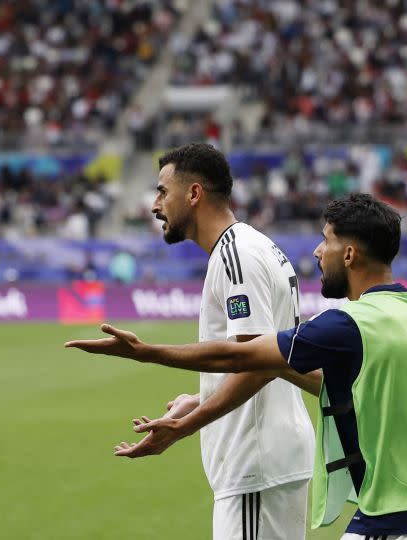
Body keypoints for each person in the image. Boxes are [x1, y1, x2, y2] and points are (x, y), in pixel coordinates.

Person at [67, 194, 407, 539]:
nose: (317, 251)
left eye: (325, 240)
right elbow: (337, 383)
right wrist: (203, 397)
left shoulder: (348, 323)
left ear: (348, 254)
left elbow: (240, 355)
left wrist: (147, 352)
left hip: (398, 510)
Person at [110, 143, 316, 540]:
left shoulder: (236, 255)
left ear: (194, 194)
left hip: (256, 462)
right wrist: (200, 398)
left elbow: (259, 363)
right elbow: (260, 355)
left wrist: (185, 426)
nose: (155, 205)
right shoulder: (249, 247)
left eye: (162, 192)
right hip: (263, 461)